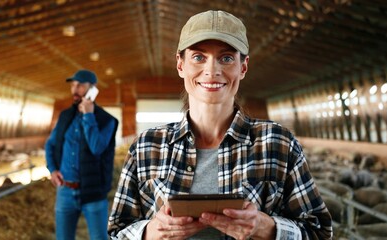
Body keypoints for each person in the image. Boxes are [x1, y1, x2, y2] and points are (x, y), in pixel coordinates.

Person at [108, 10, 332, 240]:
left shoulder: (278, 143)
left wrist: (266, 227)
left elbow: (320, 233)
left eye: (226, 58)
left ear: (243, 67)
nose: (212, 71)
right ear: (180, 64)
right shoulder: (147, 147)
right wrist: (150, 233)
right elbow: (117, 233)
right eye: (198, 57)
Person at [45, 69, 118, 240]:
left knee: (99, 238)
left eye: (80, 85)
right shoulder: (64, 116)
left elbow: (97, 147)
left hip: (94, 192)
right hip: (65, 191)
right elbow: (51, 144)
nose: (75, 89)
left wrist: (89, 115)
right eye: (73, 85)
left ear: (93, 88)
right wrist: (52, 169)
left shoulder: (107, 121)